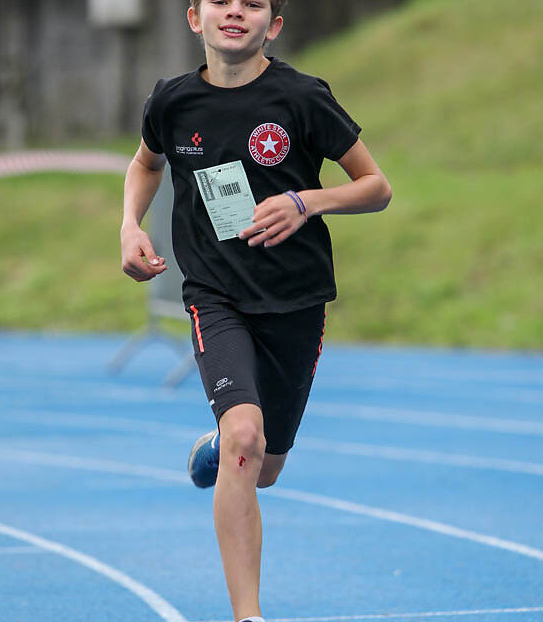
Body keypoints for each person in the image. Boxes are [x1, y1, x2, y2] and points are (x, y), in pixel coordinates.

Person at [120, 1, 392, 620]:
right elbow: (144, 163)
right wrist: (130, 225)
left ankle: (223, 442)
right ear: (195, 18)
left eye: (253, 3)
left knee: (263, 467)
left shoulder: (303, 98)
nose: (235, 12)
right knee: (246, 438)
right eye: (221, 1)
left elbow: (376, 188)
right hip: (214, 295)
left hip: (295, 300)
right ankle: (249, 615)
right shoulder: (172, 101)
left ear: (274, 25)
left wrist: (306, 201)